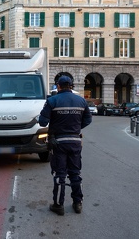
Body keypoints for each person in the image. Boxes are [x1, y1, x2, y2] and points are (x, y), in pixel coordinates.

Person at [38, 76, 92, 216]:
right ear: (71, 86)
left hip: (58, 143)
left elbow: (42, 123)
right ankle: (77, 203)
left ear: (58, 86)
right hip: (75, 141)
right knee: (75, 173)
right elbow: (88, 119)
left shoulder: (52, 101)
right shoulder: (81, 100)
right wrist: (75, 128)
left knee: (59, 174)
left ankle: (58, 205)